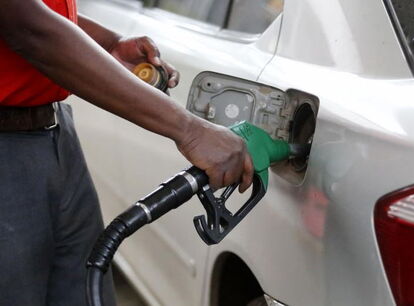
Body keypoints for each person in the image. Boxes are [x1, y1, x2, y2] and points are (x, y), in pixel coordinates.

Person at [0, 1, 254, 305]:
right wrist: (189, 129)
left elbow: (36, 10)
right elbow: (23, 23)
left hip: (54, 134)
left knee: (86, 294)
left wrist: (109, 44)